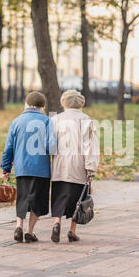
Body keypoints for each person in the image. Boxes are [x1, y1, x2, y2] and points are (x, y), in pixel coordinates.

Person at [0, 91, 55, 243]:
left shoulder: (16, 121)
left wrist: (5, 168)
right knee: (38, 200)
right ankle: (30, 231)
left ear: (27, 104)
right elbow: (52, 147)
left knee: (22, 198)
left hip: (22, 168)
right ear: (42, 106)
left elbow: (8, 148)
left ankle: (19, 226)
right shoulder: (47, 121)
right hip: (41, 170)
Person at [50, 90, 99, 243]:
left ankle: (56, 224)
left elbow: (50, 145)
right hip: (79, 166)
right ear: (81, 103)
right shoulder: (86, 120)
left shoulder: (55, 119)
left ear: (63, 102)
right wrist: (91, 168)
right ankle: (72, 230)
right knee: (78, 199)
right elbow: (90, 147)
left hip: (59, 165)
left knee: (59, 195)